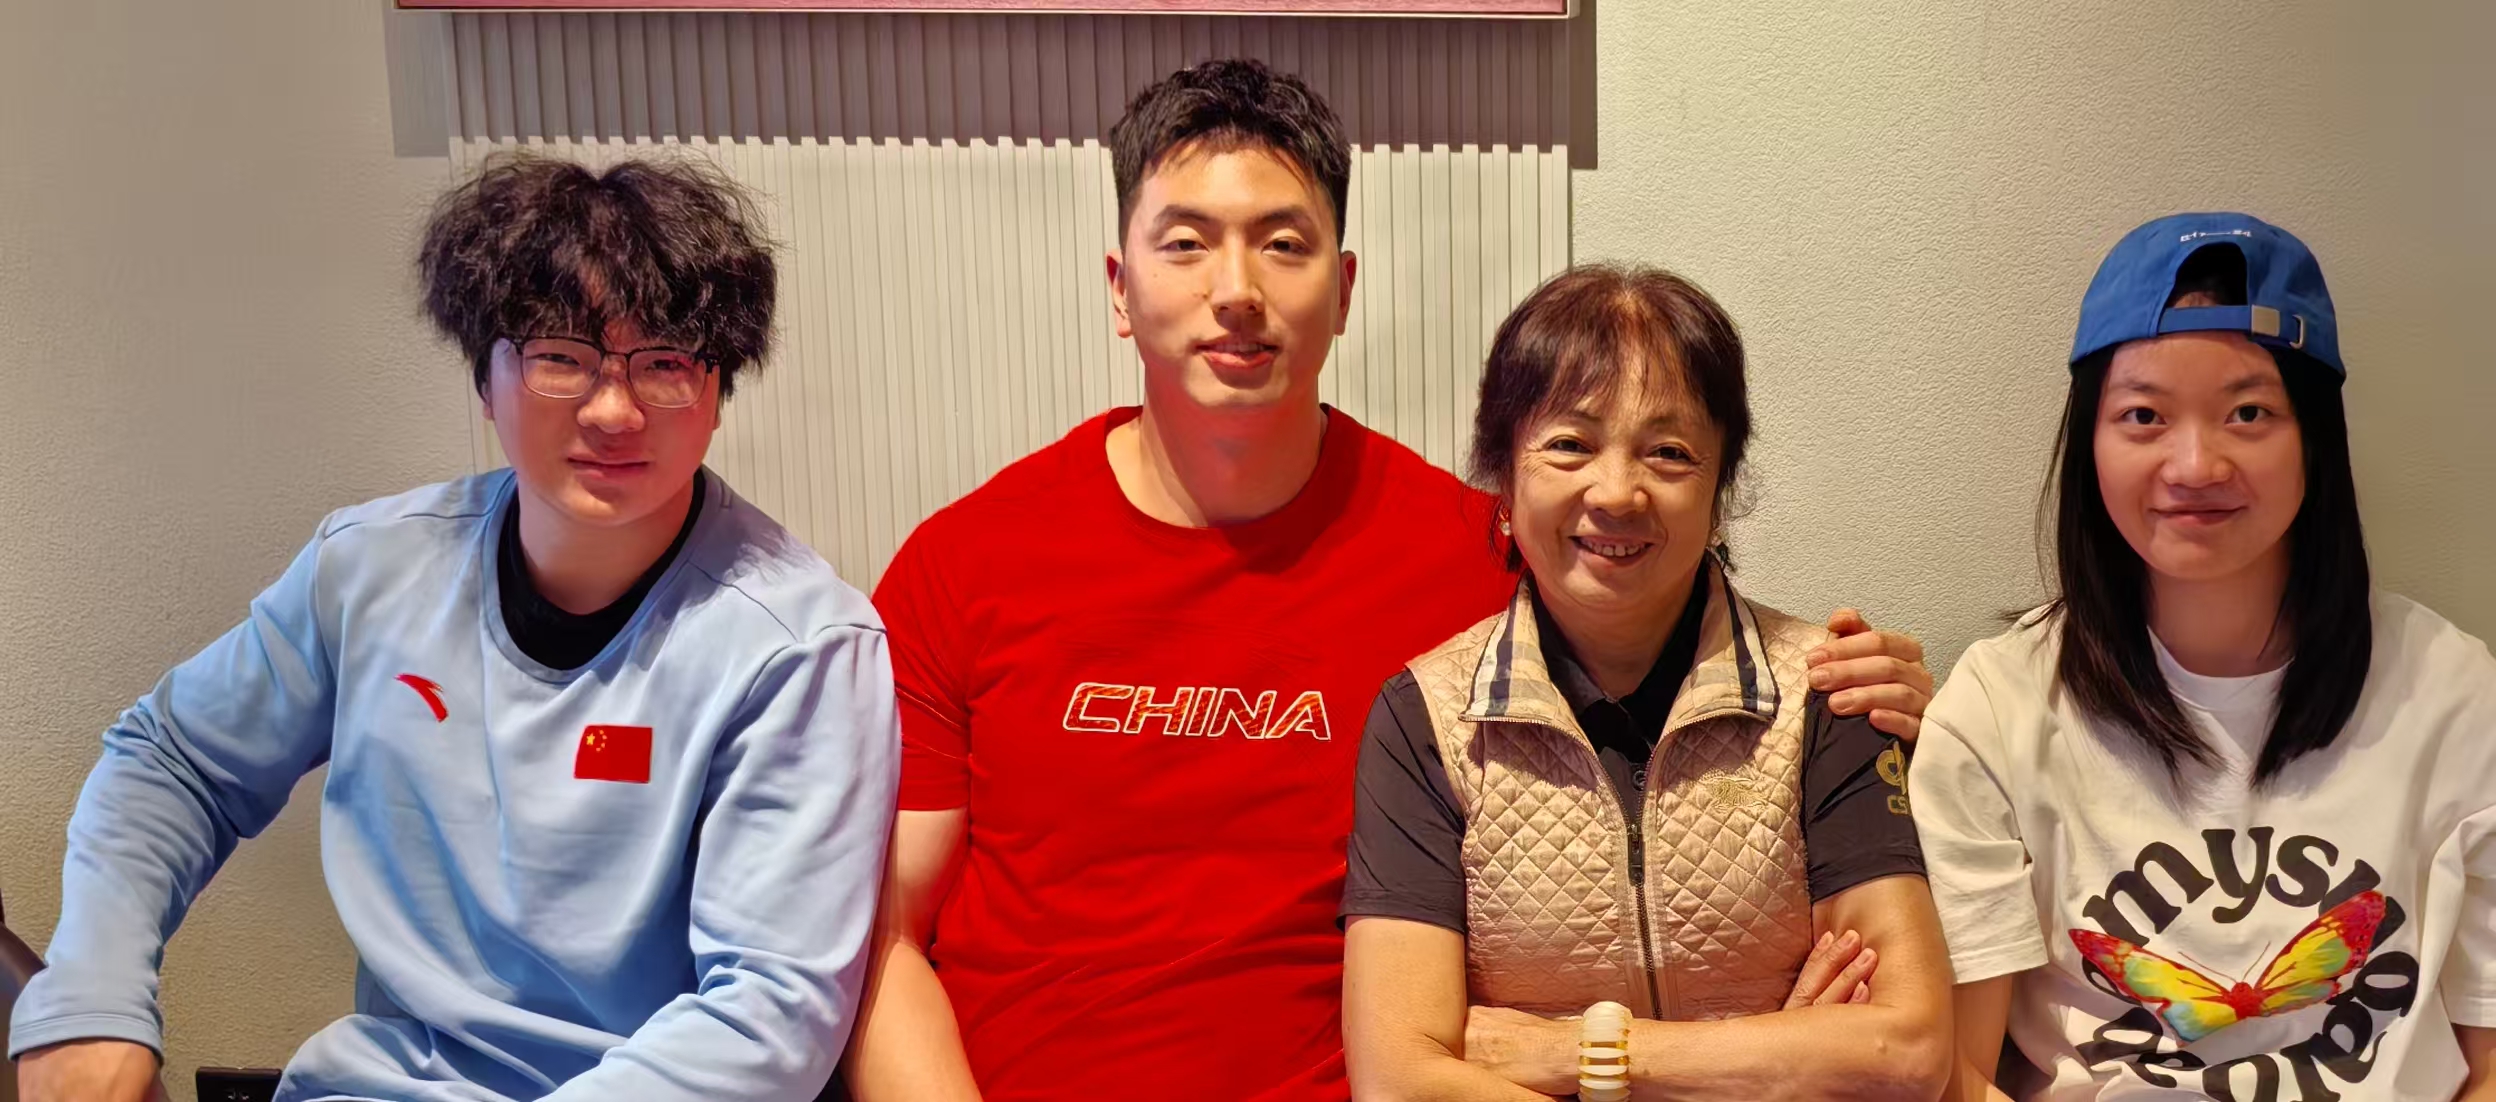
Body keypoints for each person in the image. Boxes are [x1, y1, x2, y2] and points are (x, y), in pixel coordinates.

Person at [844, 59, 1936, 1102]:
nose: (1237, 291)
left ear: (1344, 289)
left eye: (1284, 244)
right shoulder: (964, 563)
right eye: (1186, 244)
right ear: (1121, 289)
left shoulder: (1479, 548)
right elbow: (881, 936)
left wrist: (1887, 698)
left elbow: (1673, 641)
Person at [7, 155, 898, 1102]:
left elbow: (767, 1013)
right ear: (487, 377)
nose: (613, 410)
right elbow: (176, 762)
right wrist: (90, 998)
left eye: (665, 364)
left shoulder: (799, 649)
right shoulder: (372, 568)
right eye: (560, 357)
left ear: (716, 394)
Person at [1912, 213, 2496, 1100]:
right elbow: (1956, 1074)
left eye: (2248, 412)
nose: (2194, 464)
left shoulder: (2454, 695)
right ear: (2091, 441)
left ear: (2316, 436)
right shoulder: (1996, 709)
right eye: (2143, 415)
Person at [1340, 264, 1954, 1100]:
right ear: (1504, 476)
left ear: (1720, 489)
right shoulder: (1426, 719)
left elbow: (1907, 1049)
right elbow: (1398, 1081)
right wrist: (1774, 1059)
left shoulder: (1828, 692)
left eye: (1669, 452)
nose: (1618, 493)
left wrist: (1575, 1053)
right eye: (1570, 444)